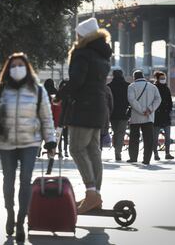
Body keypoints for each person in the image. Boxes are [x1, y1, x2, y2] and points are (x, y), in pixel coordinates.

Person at [0, 52, 56, 242]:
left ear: (27, 68)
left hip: (30, 142)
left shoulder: (37, 90)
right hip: (6, 142)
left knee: (25, 179)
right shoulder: (0, 90)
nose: (17, 68)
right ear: (8, 69)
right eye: (13, 65)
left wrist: (50, 141)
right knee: (8, 180)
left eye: (20, 65)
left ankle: (21, 220)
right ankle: (10, 212)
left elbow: (46, 118)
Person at [58, 17, 111, 214]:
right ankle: (95, 193)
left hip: (83, 109)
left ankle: (91, 194)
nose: (76, 38)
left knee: (76, 148)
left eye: (78, 35)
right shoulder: (103, 55)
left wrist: (60, 95)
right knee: (93, 150)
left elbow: (77, 81)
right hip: (99, 107)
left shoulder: (82, 54)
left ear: (84, 36)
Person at [127, 70, 162, 165]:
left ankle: (133, 157)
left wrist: (141, 110)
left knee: (134, 138)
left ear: (134, 77)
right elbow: (158, 99)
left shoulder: (132, 86)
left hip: (136, 118)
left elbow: (131, 100)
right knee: (148, 139)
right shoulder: (152, 86)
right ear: (143, 76)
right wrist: (149, 109)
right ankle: (146, 159)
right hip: (149, 117)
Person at [107, 69, 130, 161]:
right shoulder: (127, 86)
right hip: (124, 113)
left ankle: (116, 149)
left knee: (115, 132)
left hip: (112, 114)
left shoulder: (109, 86)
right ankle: (118, 151)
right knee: (121, 133)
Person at [152, 71, 174, 160]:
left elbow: (170, 101)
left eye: (164, 78)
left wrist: (169, 110)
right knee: (155, 136)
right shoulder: (154, 88)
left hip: (166, 115)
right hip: (157, 115)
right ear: (157, 79)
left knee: (168, 136)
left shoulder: (166, 88)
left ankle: (167, 153)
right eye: (161, 78)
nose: (163, 80)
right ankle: (155, 154)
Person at [101, 85, 114, 149]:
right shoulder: (106, 88)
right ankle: (99, 150)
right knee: (101, 134)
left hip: (90, 116)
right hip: (104, 114)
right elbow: (111, 103)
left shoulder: (87, 87)